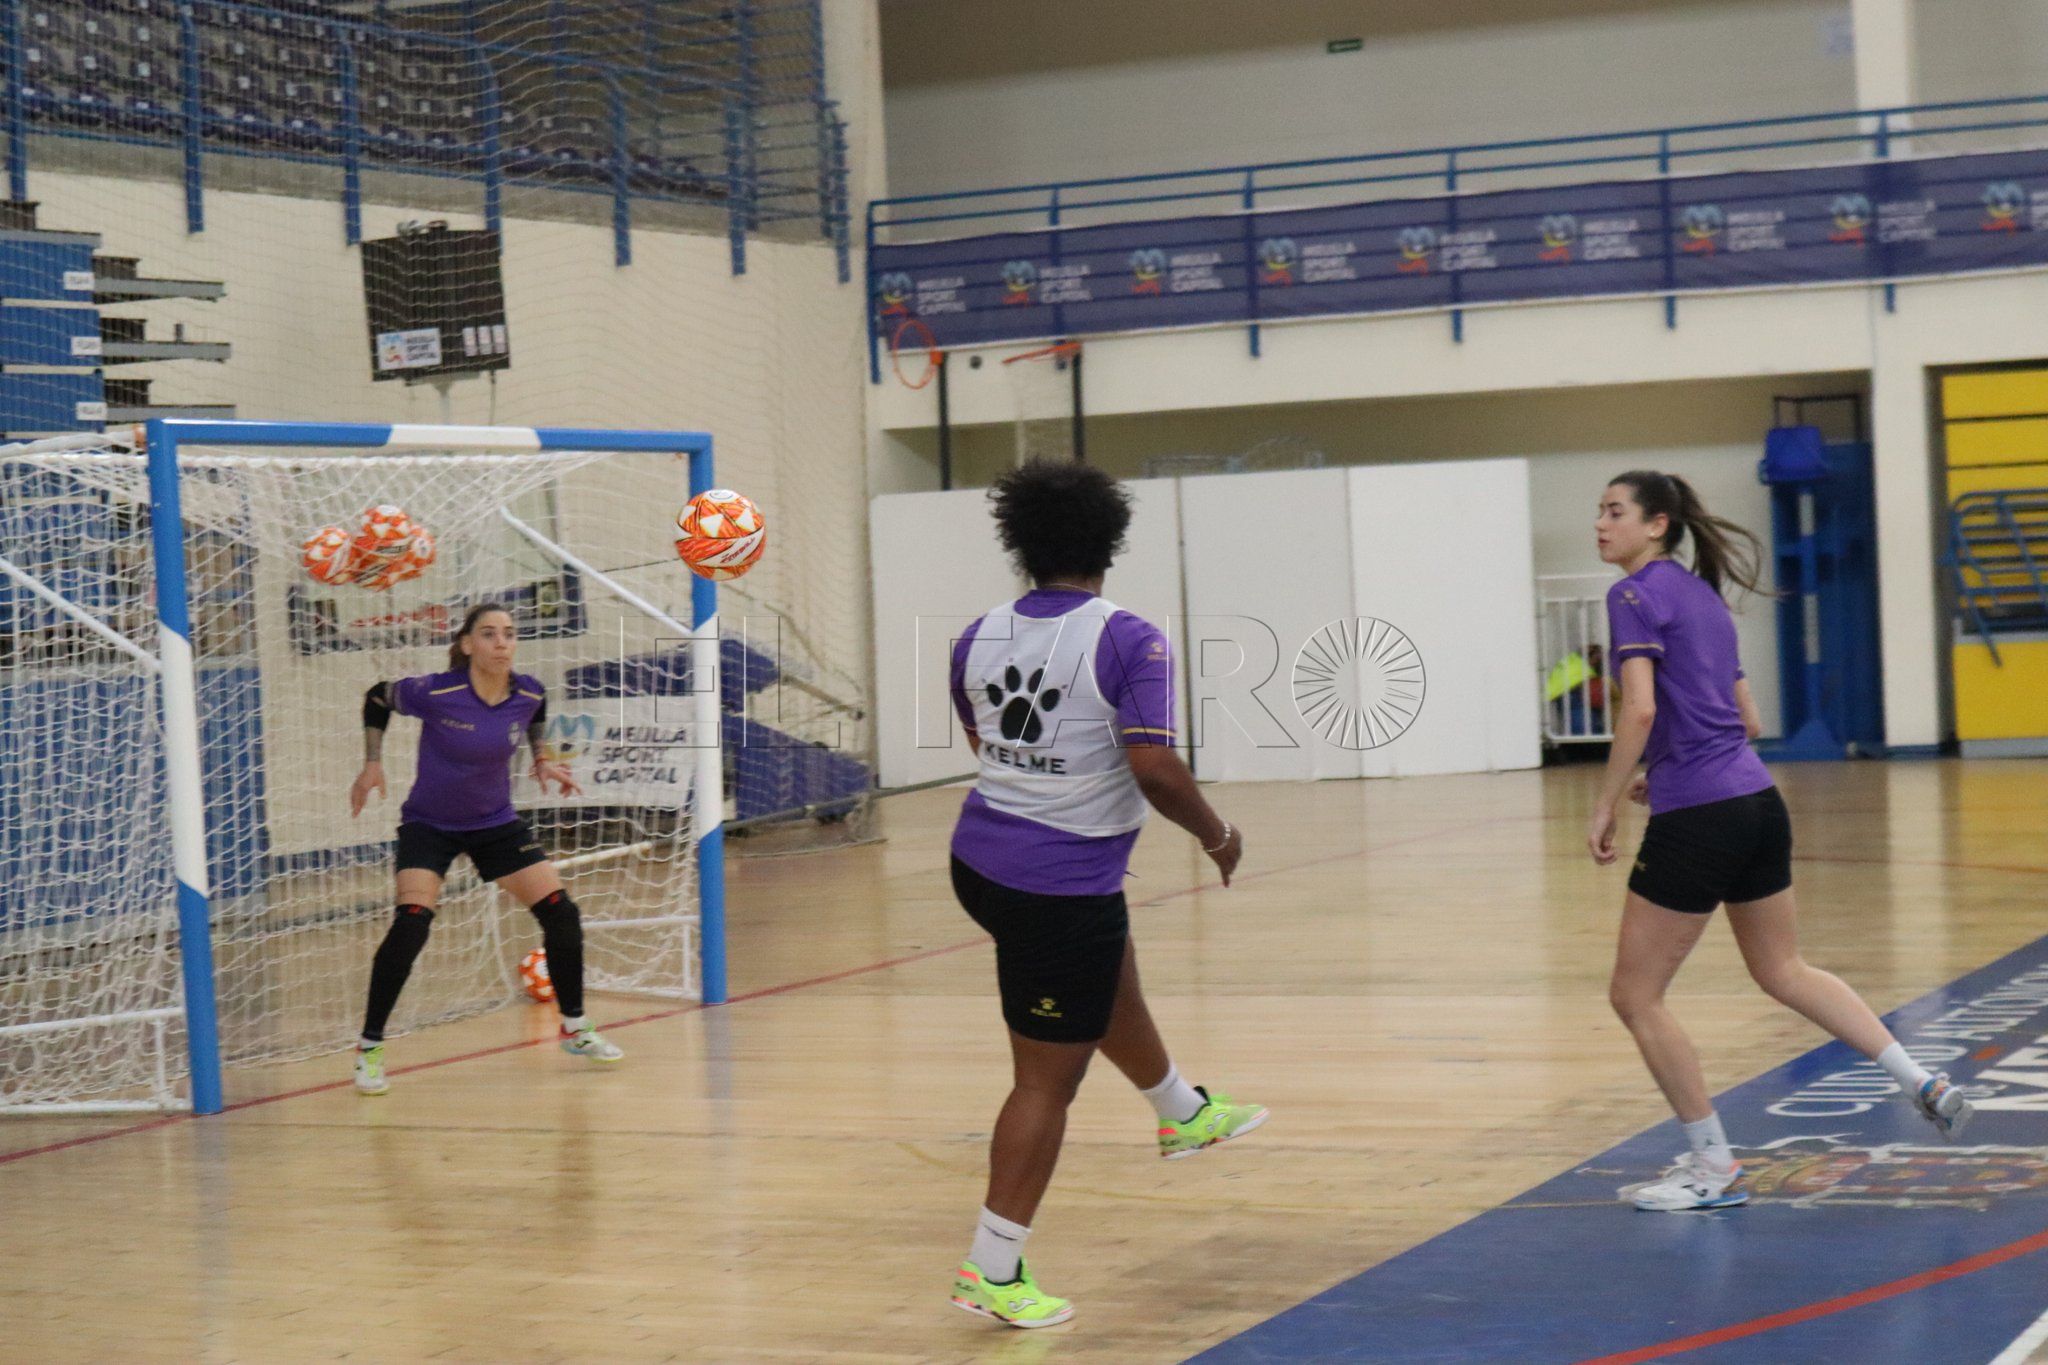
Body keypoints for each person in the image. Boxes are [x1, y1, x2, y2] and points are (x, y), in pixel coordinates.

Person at [1588, 471, 1971, 1212]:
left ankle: (1714, 1166)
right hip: (1757, 803)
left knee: (1635, 995)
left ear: (1657, 524)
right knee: (1783, 968)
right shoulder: (1703, 595)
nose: (1601, 525)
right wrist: (1665, 769)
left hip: (1700, 816)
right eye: (1599, 512)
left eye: (1614, 511)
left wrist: (1605, 802)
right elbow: (1749, 721)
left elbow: (1639, 710)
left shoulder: (1632, 595)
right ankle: (1919, 1078)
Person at [946, 460, 1268, 1328]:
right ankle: (992, 1267)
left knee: (1104, 967)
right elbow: (1153, 767)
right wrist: (1217, 834)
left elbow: (983, 738)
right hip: (1053, 883)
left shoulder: (975, 636)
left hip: (981, 858)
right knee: (1046, 1081)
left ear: (1019, 542)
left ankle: (1181, 1110)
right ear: (1110, 541)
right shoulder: (1128, 639)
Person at [347, 602, 623, 1095]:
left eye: (509, 634)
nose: (502, 643)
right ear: (468, 644)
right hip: (430, 825)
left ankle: (575, 1027)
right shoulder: (437, 691)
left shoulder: (528, 691)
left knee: (561, 913)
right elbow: (376, 696)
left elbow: (537, 711)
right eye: (490, 634)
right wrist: (372, 762)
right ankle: (370, 1047)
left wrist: (541, 757)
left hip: (494, 823)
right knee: (411, 923)